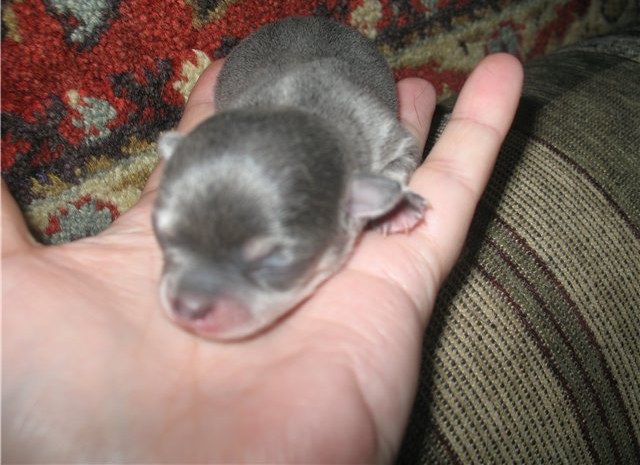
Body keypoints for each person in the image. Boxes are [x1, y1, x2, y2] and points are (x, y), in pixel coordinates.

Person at [2, 54, 523, 463]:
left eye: (269, 261)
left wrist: (394, 190)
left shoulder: (370, 143)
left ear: (357, 203)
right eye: (172, 237)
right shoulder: (213, 131)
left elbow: (397, 157)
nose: (189, 299)